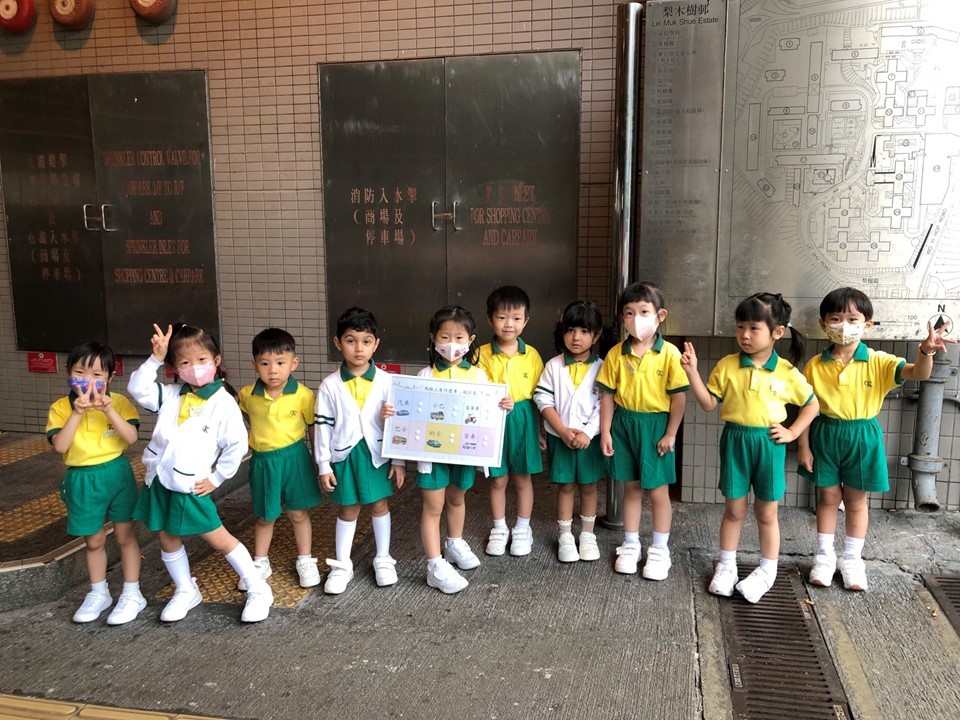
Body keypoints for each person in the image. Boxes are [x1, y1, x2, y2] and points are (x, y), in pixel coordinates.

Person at [798, 288, 953, 591]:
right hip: (825, 433)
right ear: (823, 324)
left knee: (856, 501)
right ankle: (825, 556)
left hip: (863, 436)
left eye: (852, 319)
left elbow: (918, 374)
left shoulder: (878, 361)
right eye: (836, 318)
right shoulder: (815, 365)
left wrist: (926, 351)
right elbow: (806, 406)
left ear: (867, 324)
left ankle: (852, 559)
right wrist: (803, 446)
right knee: (827, 497)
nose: (844, 325)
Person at [128, 323, 273, 623]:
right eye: (184, 362)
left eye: (202, 359)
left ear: (216, 361)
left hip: (191, 485)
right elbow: (137, 388)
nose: (194, 367)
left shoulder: (223, 402)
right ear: (175, 368)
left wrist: (217, 478)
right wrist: (155, 358)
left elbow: (236, 445)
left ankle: (258, 589)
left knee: (218, 538)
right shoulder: (170, 394)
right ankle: (185, 589)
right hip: (159, 481)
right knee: (166, 536)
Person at [681, 292, 819, 603]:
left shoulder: (786, 371)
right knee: (734, 509)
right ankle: (727, 566)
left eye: (754, 328)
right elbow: (708, 404)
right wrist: (692, 373)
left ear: (777, 332)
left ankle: (767, 570)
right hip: (735, 441)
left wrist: (793, 432)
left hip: (768, 445)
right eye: (740, 326)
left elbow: (812, 404)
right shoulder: (727, 365)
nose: (744, 334)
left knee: (766, 512)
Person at [382, 305, 487, 594]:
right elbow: (407, 416)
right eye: (445, 337)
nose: (452, 344)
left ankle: (454, 543)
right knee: (433, 505)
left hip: (463, 453)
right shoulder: (424, 375)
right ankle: (434, 565)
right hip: (431, 455)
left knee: (457, 498)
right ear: (433, 338)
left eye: (459, 337)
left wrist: (503, 405)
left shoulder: (479, 376)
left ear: (470, 340)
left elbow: (487, 414)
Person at [47, 341, 145, 625]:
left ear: (110, 377)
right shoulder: (60, 408)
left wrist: (109, 410)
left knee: (125, 535)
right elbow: (60, 446)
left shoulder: (120, 403)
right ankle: (99, 593)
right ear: (68, 372)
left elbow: (131, 438)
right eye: (80, 372)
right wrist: (77, 413)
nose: (88, 380)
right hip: (81, 478)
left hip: (117, 473)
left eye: (97, 375)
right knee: (94, 540)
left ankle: (132, 593)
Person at [597, 282, 688, 580]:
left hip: (656, 427)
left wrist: (671, 433)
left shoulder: (670, 353)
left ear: (660, 315)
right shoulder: (616, 354)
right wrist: (606, 431)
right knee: (631, 488)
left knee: (659, 491)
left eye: (644, 311)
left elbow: (678, 398)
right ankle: (631, 543)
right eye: (629, 312)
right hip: (624, 424)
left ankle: (660, 549)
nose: (636, 318)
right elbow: (607, 395)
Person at [315, 308, 406, 594]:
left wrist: (399, 460)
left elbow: (399, 424)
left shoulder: (387, 381)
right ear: (337, 342)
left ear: (376, 344)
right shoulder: (329, 385)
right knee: (348, 509)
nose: (359, 348)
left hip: (377, 455)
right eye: (351, 340)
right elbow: (322, 428)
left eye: (366, 341)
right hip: (344, 456)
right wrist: (324, 465)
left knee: (379, 505)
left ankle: (383, 559)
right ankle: (342, 564)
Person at [237, 328, 323, 591]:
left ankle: (305, 560)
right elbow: (248, 419)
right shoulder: (246, 395)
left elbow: (312, 428)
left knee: (298, 512)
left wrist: (319, 459)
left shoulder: (304, 395)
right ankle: (260, 562)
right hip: (263, 461)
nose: (272, 370)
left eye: (280, 363)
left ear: (293, 363)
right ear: (254, 365)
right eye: (265, 363)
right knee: (265, 515)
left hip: (295, 458)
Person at [534, 301, 605, 562]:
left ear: (596, 336)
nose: (576, 337)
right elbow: (543, 399)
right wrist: (562, 431)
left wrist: (588, 432)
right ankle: (565, 535)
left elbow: (605, 404)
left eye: (585, 331)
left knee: (588, 486)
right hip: (559, 437)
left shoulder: (603, 366)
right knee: (565, 486)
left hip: (591, 440)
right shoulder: (553, 366)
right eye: (571, 330)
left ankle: (587, 535)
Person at [477, 286, 545, 557]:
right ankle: (499, 527)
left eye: (516, 318)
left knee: (523, 478)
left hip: (524, 418)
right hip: (493, 421)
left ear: (525, 321)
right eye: (502, 317)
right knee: (498, 479)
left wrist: (539, 430)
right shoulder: (480, 354)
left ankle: (523, 528)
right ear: (490, 319)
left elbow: (540, 396)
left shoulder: (532, 355)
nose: (509, 324)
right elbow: (476, 392)